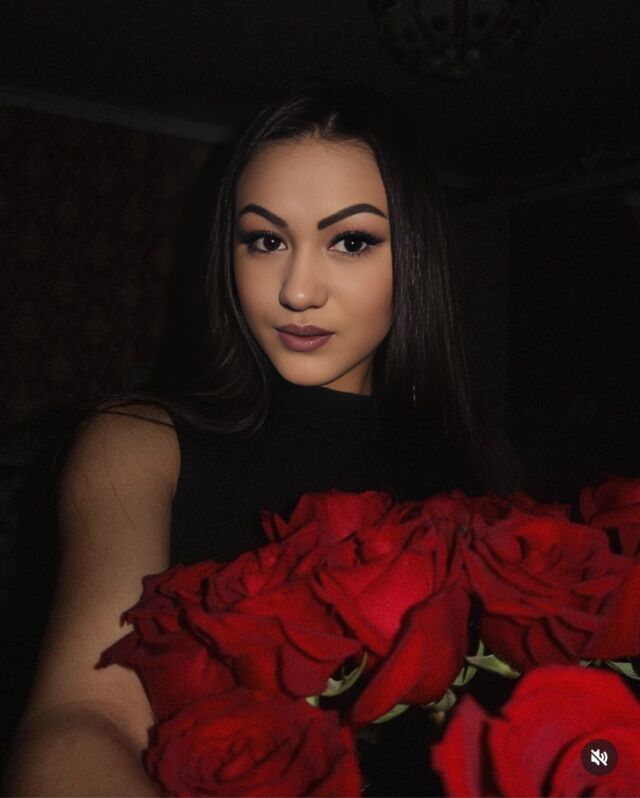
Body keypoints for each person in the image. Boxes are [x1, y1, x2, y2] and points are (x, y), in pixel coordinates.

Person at [3, 83, 484, 796]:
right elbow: (83, 718)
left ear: (414, 257)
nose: (297, 290)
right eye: (266, 240)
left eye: (350, 241)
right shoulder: (141, 445)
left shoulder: (470, 475)